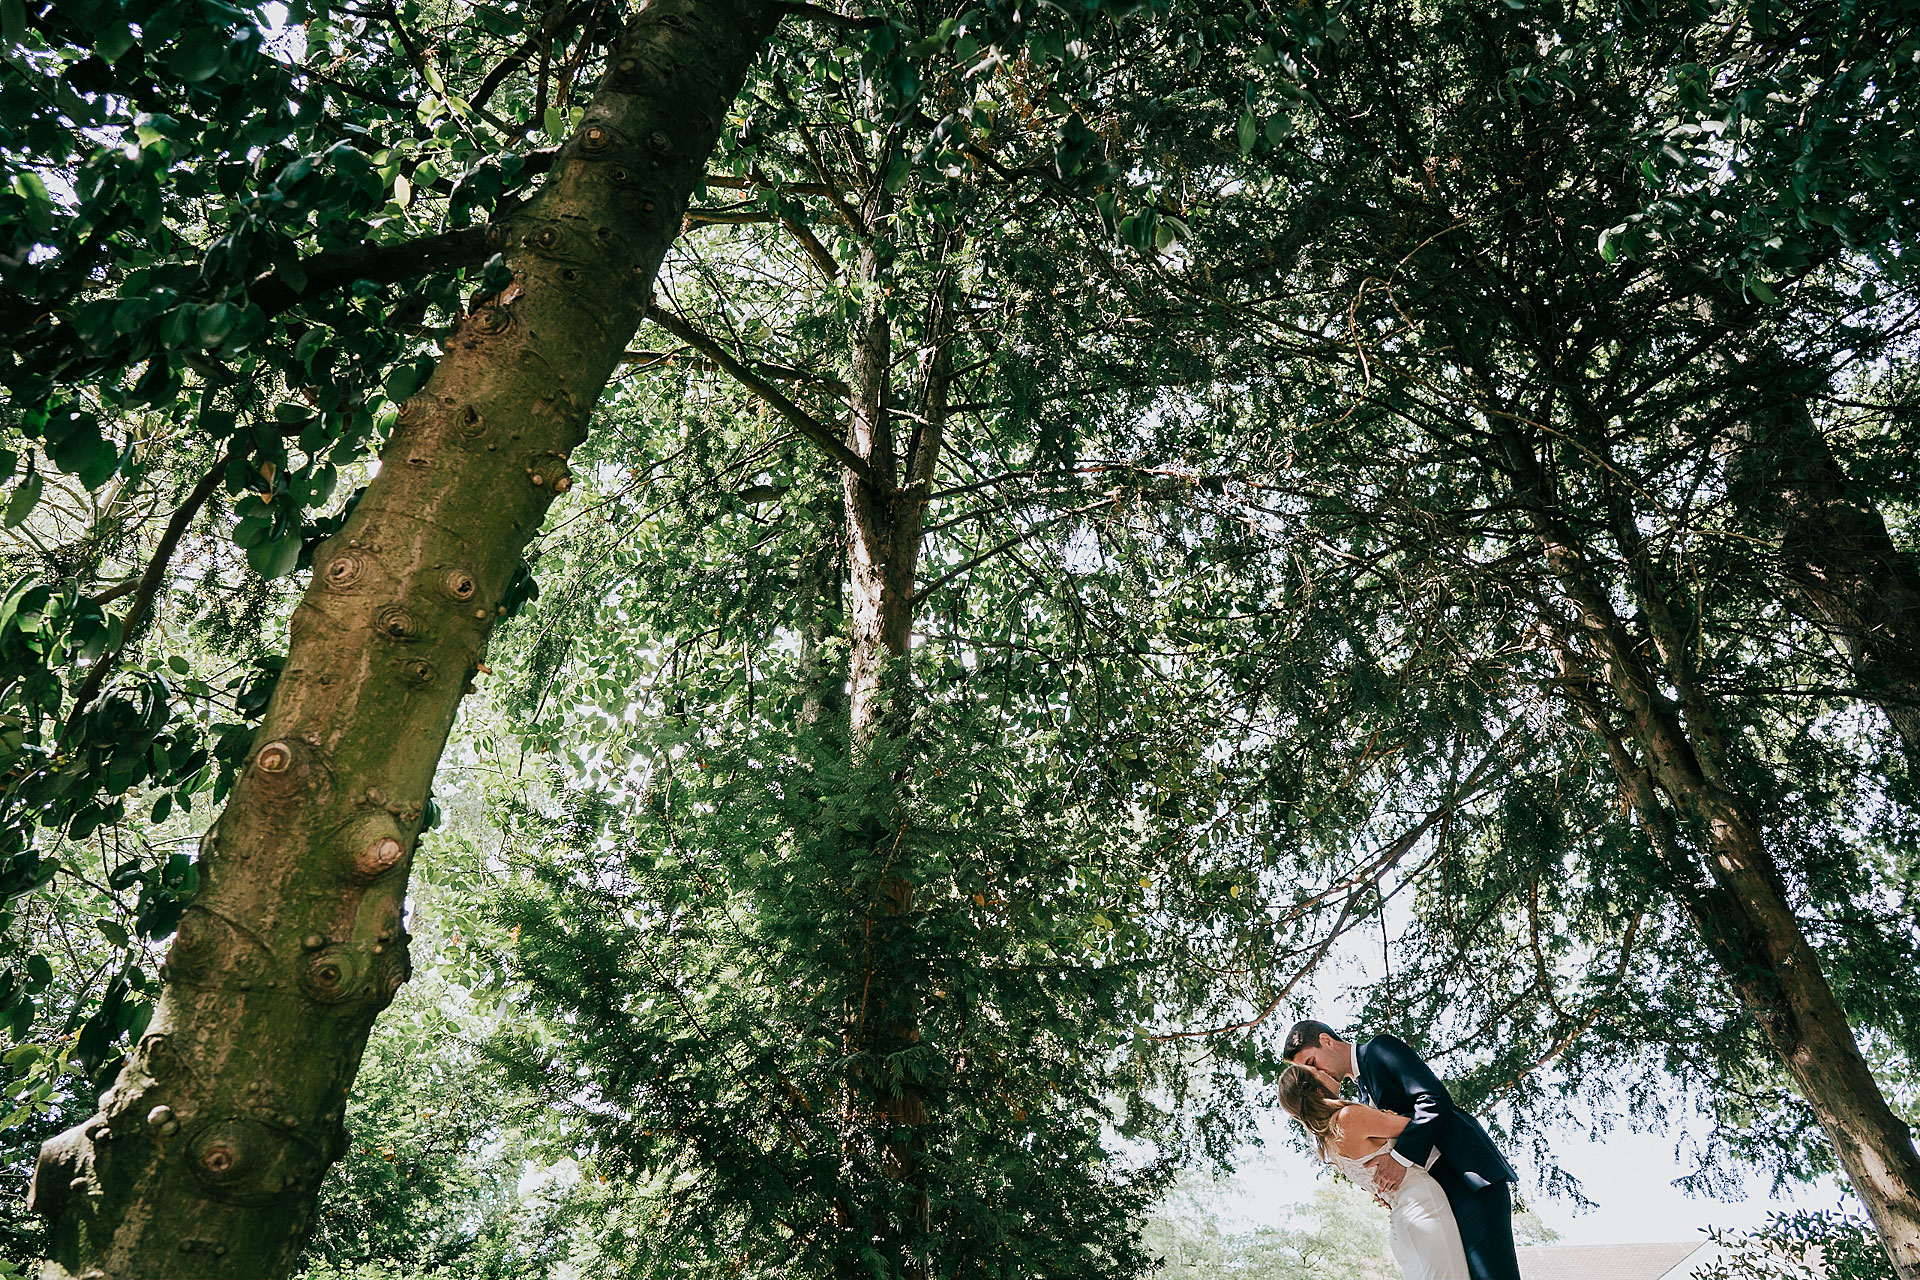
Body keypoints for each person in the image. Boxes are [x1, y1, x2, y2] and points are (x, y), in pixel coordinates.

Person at [1284, 1020, 1521, 1280]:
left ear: (1326, 1041)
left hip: (1467, 1178)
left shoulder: (1378, 1049)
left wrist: (1399, 1159)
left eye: (1310, 1062)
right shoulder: (1362, 1097)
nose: (1314, 1074)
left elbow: (1434, 1099)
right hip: (1439, 1194)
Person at [1279, 1062, 1470, 1279]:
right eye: (1317, 1071)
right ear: (1319, 1090)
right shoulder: (1347, 1117)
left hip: (1400, 1222)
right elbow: (1418, 1127)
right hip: (1422, 1205)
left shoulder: (1329, 1144)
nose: (1325, 1070)